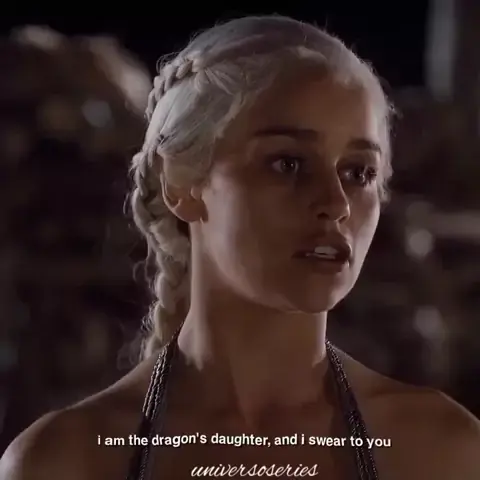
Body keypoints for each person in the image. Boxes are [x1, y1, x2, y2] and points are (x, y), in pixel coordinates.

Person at [1, 14, 480, 480]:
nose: (336, 204)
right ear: (181, 184)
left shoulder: (441, 451)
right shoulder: (67, 462)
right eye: (288, 164)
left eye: (359, 172)